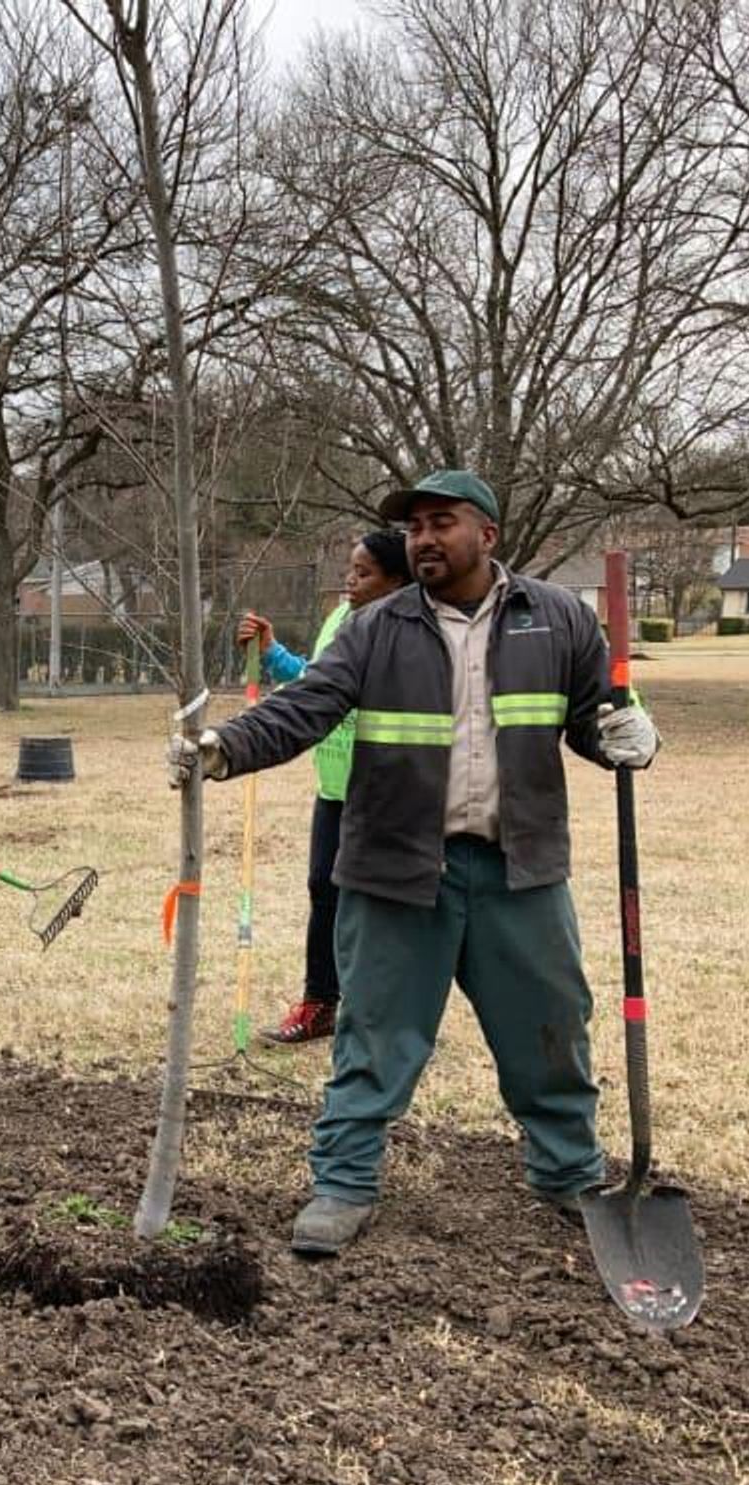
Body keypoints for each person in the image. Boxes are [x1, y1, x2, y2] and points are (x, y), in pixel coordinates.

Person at [169, 470, 661, 1257]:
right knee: (374, 1035)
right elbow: (307, 706)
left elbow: (596, 714)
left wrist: (628, 735)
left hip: (519, 870)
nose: (423, 539)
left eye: (441, 523)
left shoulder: (558, 617)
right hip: (397, 871)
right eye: (414, 528)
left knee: (552, 1029)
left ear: (488, 535)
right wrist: (225, 748)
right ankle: (344, 1184)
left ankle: (568, 1174)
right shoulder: (374, 626)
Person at [234, 531, 414, 1043]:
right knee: (324, 892)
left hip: (389, 789)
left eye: (363, 574)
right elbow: (317, 683)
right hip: (335, 786)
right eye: (349, 571)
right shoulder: (341, 619)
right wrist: (272, 652)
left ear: (397, 582)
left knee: (386, 902)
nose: (350, 583)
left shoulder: (409, 630)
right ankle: (319, 1005)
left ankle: (393, 1011)